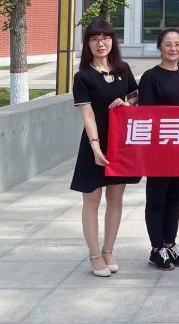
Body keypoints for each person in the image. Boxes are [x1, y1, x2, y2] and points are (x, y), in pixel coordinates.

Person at [70, 18, 141, 277]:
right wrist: (95, 146)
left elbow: (135, 96)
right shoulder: (83, 77)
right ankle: (94, 255)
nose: (101, 43)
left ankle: (108, 250)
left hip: (120, 143)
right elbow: (87, 114)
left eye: (106, 38)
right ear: (88, 43)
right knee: (92, 199)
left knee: (115, 198)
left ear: (113, 41)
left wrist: (127, 104)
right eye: (95, 39)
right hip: (94, 144)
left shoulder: (123, 69)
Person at [138, 27, 179, 271]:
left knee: (176, 198)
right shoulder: (150, 77)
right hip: (159, 148)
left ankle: (170, 244)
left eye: (177, 44)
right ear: (159, 48)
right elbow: (148, 113)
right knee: (157, 199)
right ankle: (156, 249)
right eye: (168, 44)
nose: (173, 48)